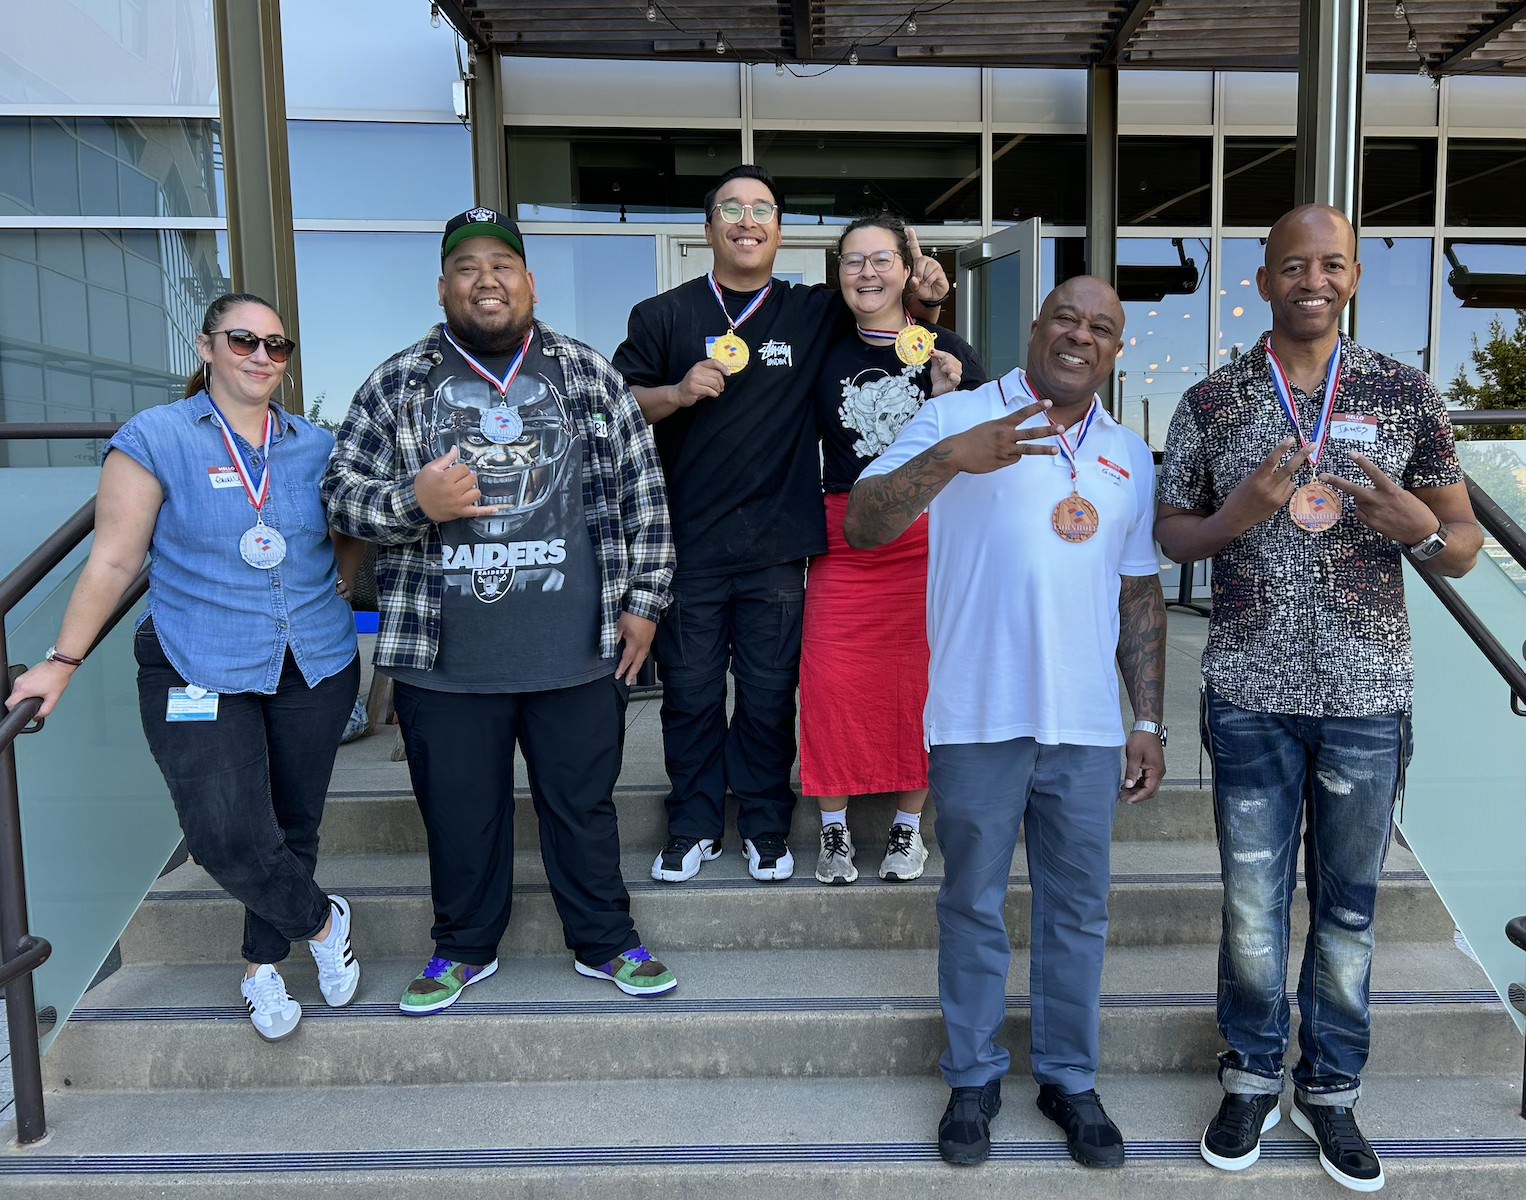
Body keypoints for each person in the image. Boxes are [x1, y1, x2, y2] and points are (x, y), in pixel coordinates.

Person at [1155, 204, 1482, 1194]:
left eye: (1330, 264)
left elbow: (1461, 548)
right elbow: (1170, 537)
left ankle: (1329, 1090)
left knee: (1347, 912)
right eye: (1291, 264)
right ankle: (1253, 1075)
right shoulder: (1213, 401)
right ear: (1261, 280)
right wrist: (1235, 516)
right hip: (1248, 695)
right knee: (1253, 908)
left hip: (1366, 699)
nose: (1311, 278)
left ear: (1350, 279)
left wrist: (1415, 523)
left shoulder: (1402, 391)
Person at [322, 207, 678, 1014]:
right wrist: (414, 501)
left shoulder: (585, 374)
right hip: (445, 659)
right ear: (444, 286)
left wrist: (646, 603)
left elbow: (643, 494)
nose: (487, 279)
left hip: (576, 649)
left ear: (529, 282)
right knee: (458, 814)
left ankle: (603, 940)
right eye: (467, 267)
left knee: (581, 807)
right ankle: (463, 948)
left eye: (502, 265)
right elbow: (339, 494)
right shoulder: (397, 381)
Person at [847, 276, 1168, 1170]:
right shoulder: (955, 414)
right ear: (1035, 328)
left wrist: (1149, 717)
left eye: (1101, 328)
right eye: (1066, 317)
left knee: (1078, 912)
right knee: (973, 904)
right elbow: (868, 524)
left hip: (1086, 725)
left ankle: (1069, 1078)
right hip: (978, 712)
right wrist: (954, 455)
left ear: (1113, 351)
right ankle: (974, 1077)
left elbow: (1139, 593)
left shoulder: (1128, 456)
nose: (1080, 336)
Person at [7, 292, 363, 1043]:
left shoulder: (314, 445)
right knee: (223, 835)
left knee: (291, 823)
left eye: (277, 346)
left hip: (315, 660)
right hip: (195, 661)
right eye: (244, 341)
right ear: (206, 348)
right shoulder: (156, 437)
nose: (262, 357)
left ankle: (261, 968)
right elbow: (111, 558)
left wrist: (351, 571)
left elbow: (350, 524)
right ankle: (323, 921)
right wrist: (61, 663)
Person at [613, 164, 949, 885]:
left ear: (778, 231)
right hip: (690, 544)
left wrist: (922, 288)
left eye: (762, 208)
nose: (746, 219)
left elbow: (883, 308)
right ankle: (694, 824)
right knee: (693, 694)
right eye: (731, 208)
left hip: (778, 547)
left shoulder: (811, 310)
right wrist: (675, 391)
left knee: (767, 695)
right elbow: (620, 406)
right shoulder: (662, 316)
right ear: (710, 229)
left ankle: (766, 824)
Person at [803, 212, 985, 885]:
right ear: (839, 274)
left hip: (927, 540)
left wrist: (947, 399)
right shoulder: (824, 343)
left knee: (921, 682)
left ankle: (909, 830)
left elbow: (981, 451)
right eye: (854, 260)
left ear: (907, 270)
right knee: (828, 681)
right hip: (843, 537)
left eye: (882, 259)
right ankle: (833, 830)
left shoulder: (951, 352)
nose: (868, 272)